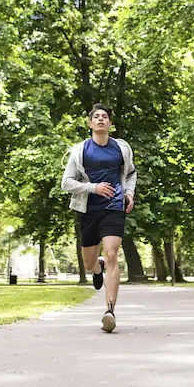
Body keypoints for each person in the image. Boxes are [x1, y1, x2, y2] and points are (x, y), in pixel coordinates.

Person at [61, 103, 137, 333]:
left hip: (114, 208)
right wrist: (93, 187)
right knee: (88, 262)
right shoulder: (80, 151)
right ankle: (97, 269)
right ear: (90, 123)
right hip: (88, 210)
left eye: (105, 116)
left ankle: (110, 311)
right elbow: (66, 183)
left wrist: (129, 193)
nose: (101, 119)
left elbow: (131, 173)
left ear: (110, 123)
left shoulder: (121, 149)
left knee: (113, 254)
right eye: (97, 117)